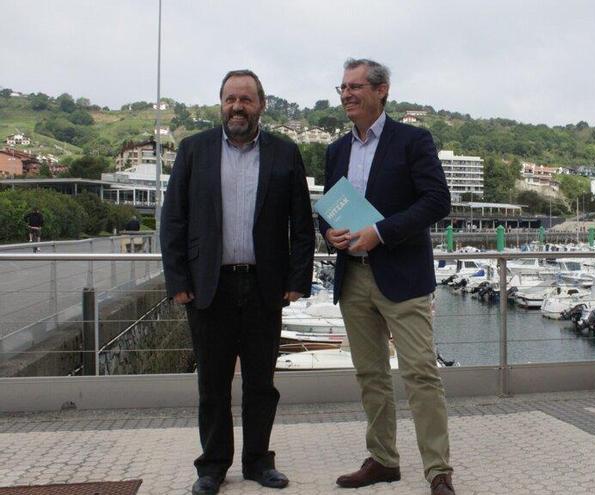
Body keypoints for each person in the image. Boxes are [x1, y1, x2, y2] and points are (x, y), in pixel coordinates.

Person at [160, 69, 315, 495]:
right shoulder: (195, 151)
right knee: (211, 383)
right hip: (209, 286)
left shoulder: (285, 153)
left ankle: (258, 462)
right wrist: (178, 281)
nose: (237, 107)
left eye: (246, 99)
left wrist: (298, 278)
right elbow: (173, 220)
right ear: (221, 103)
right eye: (230, 98)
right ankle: (211, 467)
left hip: (265, 287)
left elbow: (302, 224)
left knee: (261, 384)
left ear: (261, 105)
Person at [319, 58, 455, 495]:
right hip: (352, 276)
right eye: (343, 88)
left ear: (383, 91)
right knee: (370, 375)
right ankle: (383, 460)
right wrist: (330, 234)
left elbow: (437, 200)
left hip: (401, 275)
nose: (347, 95)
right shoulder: (335, 150)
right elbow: (329, 211)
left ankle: (438, 471)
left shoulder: (413, 140)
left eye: (356, 86)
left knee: (420, 373)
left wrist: (381, 232)